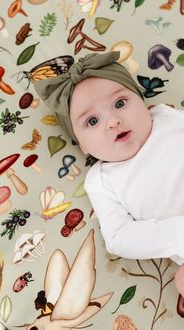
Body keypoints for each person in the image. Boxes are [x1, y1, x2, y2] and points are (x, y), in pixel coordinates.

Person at [34, 51, 184, 297]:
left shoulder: (166, 118)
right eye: (92, 121)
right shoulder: (103, 179)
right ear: (82, 145)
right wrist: (178, 233)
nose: (113, 121)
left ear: (141, 100)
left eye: (120, 103)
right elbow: (118, 237)